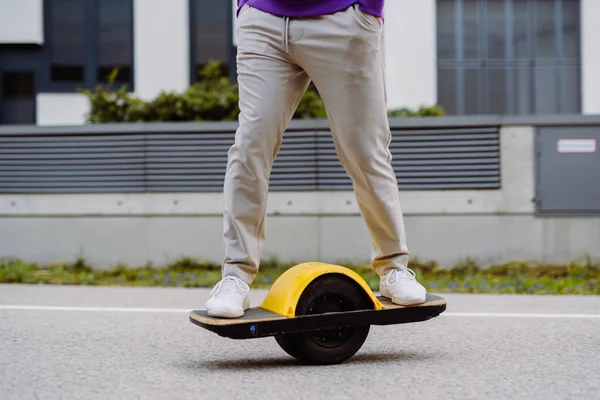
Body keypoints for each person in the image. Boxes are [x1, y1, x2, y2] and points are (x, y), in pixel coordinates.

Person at [205, 0, 427, 318]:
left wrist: (367, 9)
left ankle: (393, 268)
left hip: (343, 19)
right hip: (263, 19)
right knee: (250, 147)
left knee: (365, 152)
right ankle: (235, 277)